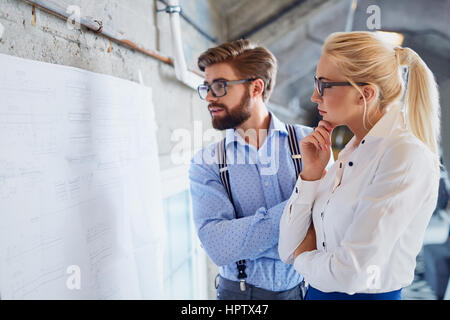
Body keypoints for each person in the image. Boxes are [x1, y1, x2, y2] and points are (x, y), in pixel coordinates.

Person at [279, 31, 441, 300]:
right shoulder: (349, 152)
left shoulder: (404, 155)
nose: (313, 96)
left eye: (324, 84)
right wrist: (311, 175)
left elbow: (351, 272)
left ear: (364, 94)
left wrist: (303, 257)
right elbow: (287, 246)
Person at [189, 39, 333, 300]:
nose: (209, 96)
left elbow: (329, 225)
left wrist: (245, 239)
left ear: (256, 87)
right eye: (206, 87)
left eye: (220, 86)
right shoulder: (207, 162)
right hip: (239, 296)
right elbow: (219, 247)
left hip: (305, 290)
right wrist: (302, 206)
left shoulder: (311, 143)